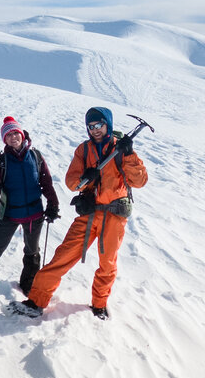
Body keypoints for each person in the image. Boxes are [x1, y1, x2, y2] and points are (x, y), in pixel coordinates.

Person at [11, 107, 148, 320]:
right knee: (62, 256)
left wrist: (129, 154)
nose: (95, 130)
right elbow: (72, 182)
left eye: (99, 125)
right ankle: (36, 301)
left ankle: (99, 305)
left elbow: (139, 181)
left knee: (107, 264)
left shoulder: (122, 150)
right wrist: (88, 176)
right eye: (90, 126)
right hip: (89, 213)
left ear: (108, 125)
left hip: (114, 216)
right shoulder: (83, 151)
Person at [0, 116, 60, 305]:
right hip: (9, 216)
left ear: (21, 134)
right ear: (5, 140)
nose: (12, 137)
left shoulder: (36, 156)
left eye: (15, 133)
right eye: (8, 135)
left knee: (32, 251)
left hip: (34, 215)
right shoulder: (2, 161)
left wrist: (53, 205)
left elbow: (46, 183)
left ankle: (27, 284)